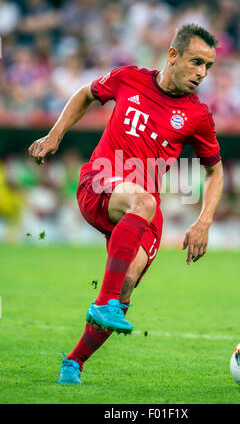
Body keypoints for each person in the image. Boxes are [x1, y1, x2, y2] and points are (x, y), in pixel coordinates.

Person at [28, 23, 224, 385]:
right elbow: (85, 93)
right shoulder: (128, 79)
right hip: (99, 183)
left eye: (208, 66)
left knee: (126, 284)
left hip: (141, 209)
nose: (202, 72)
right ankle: (103, 303)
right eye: (196, 62)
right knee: (144, 202)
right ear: (173, 55)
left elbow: (215, 171)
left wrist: (204, 221)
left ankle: (74, 362)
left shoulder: (197, 116)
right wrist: (55, 136)